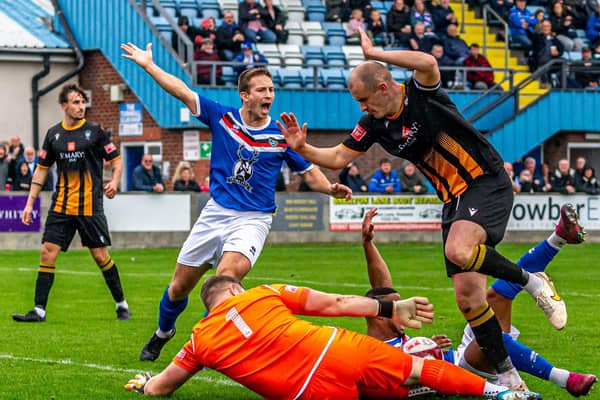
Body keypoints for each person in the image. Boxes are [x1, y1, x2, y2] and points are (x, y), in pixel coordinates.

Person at [278, 27, 568, 390]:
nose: (362, 108)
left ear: (383, 87)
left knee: (459, 250)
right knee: (468, 299)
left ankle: (531, 281)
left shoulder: (420, 92)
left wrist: (376, 52)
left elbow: (429, 62)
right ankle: (511, 380)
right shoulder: (374, 125)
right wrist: (302, 149)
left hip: (484, 180)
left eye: (364, 100)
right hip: (453, 200)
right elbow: (337, 156)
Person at [120, 43, 353, 362]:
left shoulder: (283, 136)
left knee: (225, 280)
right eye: (261, 90)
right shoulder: (224, 118)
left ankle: (198, 348)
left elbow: (311, 175)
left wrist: (331, 189)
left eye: (271, 89)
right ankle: (163, 333)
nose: (268, 95)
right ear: (245, 95)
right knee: (178, 288)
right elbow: (183, 91)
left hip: (253, 220)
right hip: (215, 213)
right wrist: (149, 65)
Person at [124, 276, 543, 400]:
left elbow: (162, 388)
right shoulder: (263, 292)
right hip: (333, 348)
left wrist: (145, 385)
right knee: (418, 369)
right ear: (235, 289)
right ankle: (502, 395)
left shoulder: (197, 340)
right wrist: (388, 309)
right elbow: (337, 303)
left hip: (304, 391)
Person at [360, 207, 597, 397]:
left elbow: (382, 287)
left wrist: (368, 244)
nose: (404, 311)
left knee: (496, 297)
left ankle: (558, 237)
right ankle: (565, 379)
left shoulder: (393, 332)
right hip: (462, 372)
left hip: (458, 355)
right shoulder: (372, 356)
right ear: (379, 315)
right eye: (396, 307)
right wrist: (424, 362)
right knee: (489, 335)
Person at [12, 84, 129, 322]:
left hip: (90, 207)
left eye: (82, 101)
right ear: (64, 105)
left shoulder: (96, 132)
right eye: (75, 102)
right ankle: (39, 310)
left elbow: (116, 162)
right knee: (47, 253)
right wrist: (28, 203)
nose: (80, 106)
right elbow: (41, 170)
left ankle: (121, 303)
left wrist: (115, 182)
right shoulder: (54, 134)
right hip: (61, 207)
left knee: (100, 257)